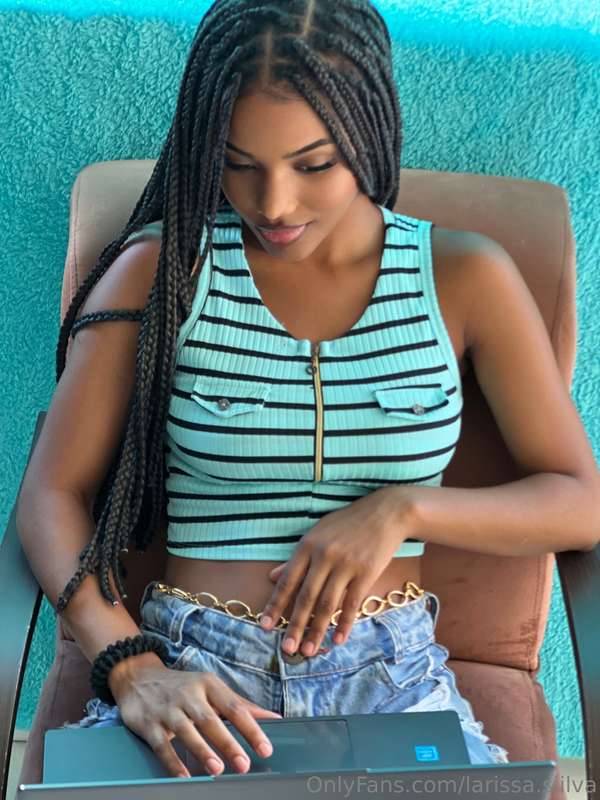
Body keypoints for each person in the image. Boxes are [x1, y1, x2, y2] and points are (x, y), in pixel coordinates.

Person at [17, 0, 600, 783]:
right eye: (238, 162)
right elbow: (50, 495)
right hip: (193, 673)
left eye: (314, 164)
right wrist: (131, 666)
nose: (274, 204)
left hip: (392, 681)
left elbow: (579, 501)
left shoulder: (466, 277)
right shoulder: (162, 270)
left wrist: (403, 509)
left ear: (368, 133)